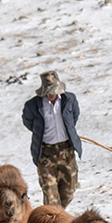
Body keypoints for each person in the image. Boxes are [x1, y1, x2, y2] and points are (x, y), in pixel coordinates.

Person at [22, 70, 83, 208]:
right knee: (50, 194)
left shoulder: (69, 100)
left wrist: (65, 131)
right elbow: (28, 122)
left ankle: (58, 214)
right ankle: (54, 218)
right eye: (48, 91)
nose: (51, 95)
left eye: (53, 91)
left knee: (69, 191)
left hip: (66, 151)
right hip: (46, 153)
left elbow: (74, 117)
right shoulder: (32, 105)